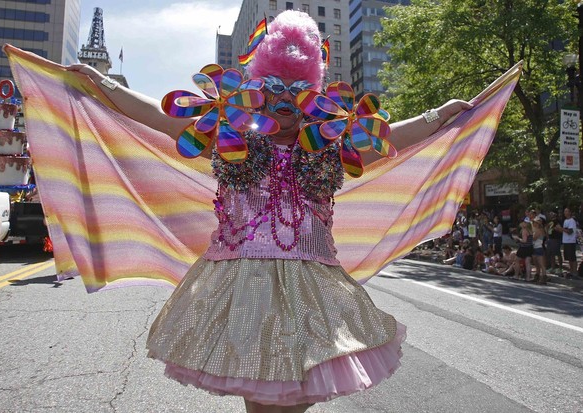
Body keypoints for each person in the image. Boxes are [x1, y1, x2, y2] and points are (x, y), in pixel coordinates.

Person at [58, 10, 477, 412]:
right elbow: (158, 116)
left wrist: (438, 115)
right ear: (257, 92)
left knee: (299, 391)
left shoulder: (331, 149)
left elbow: (392, 138)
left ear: (314, 99)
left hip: (310, 281)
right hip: (243, 280)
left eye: (297, 91)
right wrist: (104, 85)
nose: (285, 98)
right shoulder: (229, 139)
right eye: (274, 86)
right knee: (259, 396)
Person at [560, 207, 578, 279]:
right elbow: (564, 231)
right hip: (565, 241)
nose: (565, 213)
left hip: (571, 241)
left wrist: (561, 229)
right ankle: (571, 271)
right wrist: (559, 229)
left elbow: (570, 232)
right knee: (568, 258)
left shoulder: (572, 221)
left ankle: (575, 272)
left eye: (567, 211)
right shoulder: (565, 221)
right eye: (565, 211)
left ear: (570, 212)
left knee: (572, 257)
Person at [545, 211, 563, 276]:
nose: (550, 214)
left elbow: (560, 229)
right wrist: (547, 237)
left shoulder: (558, 221)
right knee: (551, 254)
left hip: (556, 239)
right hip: (550, 238)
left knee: (557, 253)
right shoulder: (550, 222)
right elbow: (547, 228)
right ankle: (553, 268)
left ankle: (560, 268)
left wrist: (558, 229)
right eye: (550, 213)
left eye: (552, 213)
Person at [531, 217, 547, 284]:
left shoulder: (539, 230)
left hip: (539, 248)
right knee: (536, 264)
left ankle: (543, 277)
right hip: (535, 248)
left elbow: (534, 238)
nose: (533, 224)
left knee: (541, 264)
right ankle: (537, 276)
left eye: (535, 222)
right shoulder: (536, 230)